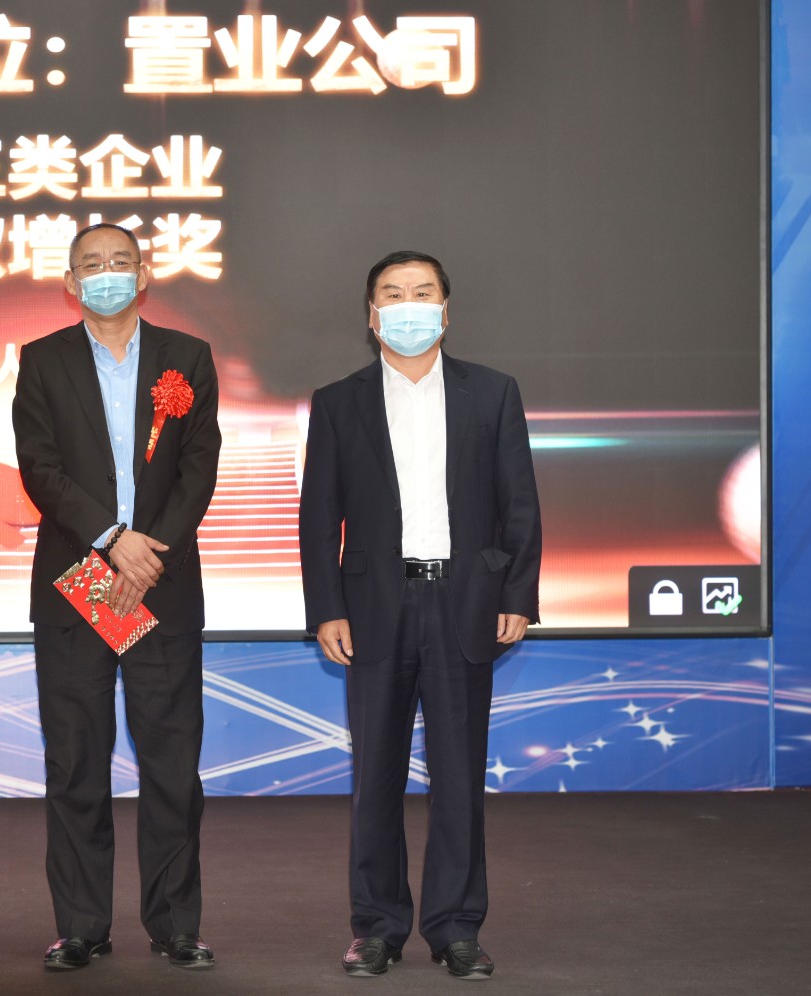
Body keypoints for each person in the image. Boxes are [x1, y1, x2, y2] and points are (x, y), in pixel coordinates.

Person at [299, 250, 541, 980]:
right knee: (375, 775)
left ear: (445, 309)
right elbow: (319, 517)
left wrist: (516, 596)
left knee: (459, 776)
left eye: (422, 293)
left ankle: (456, 927)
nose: (409, 306)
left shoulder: (492, 392)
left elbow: (519, 504)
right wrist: (327, 608)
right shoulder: (338, 401)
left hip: (465, 601)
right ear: (373, 314)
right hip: (374, 605)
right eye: (393, 294)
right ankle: (376, 926)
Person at [13, 223, 221, 972]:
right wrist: (110, 538)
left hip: (161, 580)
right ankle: (81, 927)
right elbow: (39, 467)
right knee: (75, 762)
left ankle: (175, 925)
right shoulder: (42, 359)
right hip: (79, 581)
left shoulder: (187, 356)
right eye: (91, 264)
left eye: (120, 261)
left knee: (171, 763)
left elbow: (199, 464)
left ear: (144, 273)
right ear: (71, 282)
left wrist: (146, 552)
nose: (107, 273)